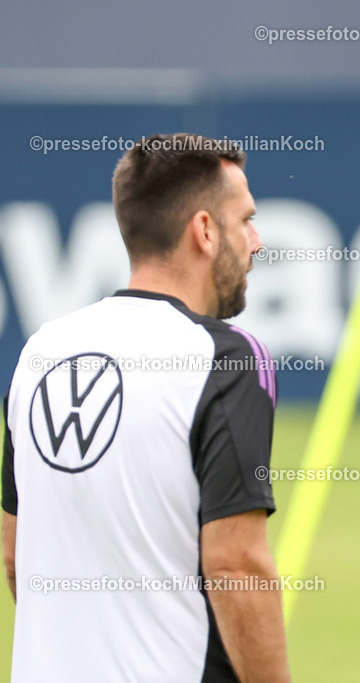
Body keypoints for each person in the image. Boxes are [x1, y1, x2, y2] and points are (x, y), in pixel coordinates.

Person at [1, 133, 290, 682]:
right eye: (245, 220)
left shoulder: (39, 353)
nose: (256, 242)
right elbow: (236, 566)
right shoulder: (227, 358)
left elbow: (17, 556)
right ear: (205, 231)